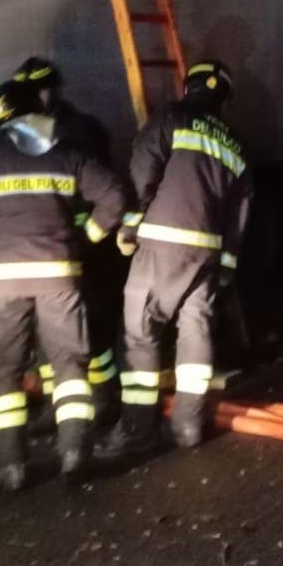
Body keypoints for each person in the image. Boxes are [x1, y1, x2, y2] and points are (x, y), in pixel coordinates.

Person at [0, 78, 127, 489]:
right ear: (39, 115)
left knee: (5, 371)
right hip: (58, 275)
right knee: (69, 365)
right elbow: (115, 196)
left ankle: (11, 466)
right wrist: (86, 238)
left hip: (2, 280)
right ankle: (75, 454)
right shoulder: (67, 154)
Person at [102, 60, 253, 457]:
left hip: (161, 242)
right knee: (196, 331)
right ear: (224, 99)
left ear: (189, 88)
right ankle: (188, 425)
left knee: (139, 334)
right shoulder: (236, 143)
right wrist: (226, 265)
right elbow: (239, 211)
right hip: (207, 252)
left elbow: (143, 165)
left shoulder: (172, 116)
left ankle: (137, 430)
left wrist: (130, 224)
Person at [9, 56, 123, 429]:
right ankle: (56, 403)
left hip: (86, 247)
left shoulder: (79, 130)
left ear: (52, 91)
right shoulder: (24, 133)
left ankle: (104, 399)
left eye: (37, 92)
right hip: (46, 245)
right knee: (46, 327)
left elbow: (103, 190)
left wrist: (87, 237)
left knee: (93, 324)